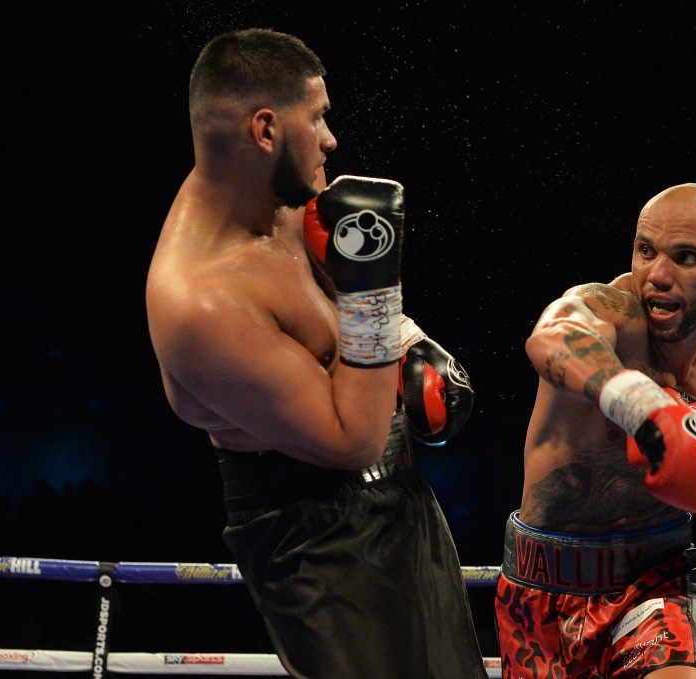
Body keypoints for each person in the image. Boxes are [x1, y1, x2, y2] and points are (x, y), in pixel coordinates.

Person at [145, 28, 486, 678]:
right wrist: (382, 283)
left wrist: (410, 341)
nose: (331, 138)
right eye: (318, 116)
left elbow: (341, 317)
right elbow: (354, 435)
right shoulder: (201, 301)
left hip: (405, 498)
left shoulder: (282, 198)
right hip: (316, 541)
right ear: (266, 128)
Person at [494, 183, 696, 678]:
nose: (657, 276)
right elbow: (551, 337)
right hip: (543, 582)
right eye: (646, 250)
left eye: (686, 257)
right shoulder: (610, 312)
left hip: (659, 576)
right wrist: (641, 406)